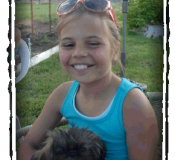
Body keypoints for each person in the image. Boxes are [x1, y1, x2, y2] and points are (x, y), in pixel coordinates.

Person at [18, 0, 158, 159]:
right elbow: (28, 145)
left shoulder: (133, 103)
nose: (78, 53)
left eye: (92, 43)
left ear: (115, 50)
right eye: (69, 44)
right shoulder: (63, 94)